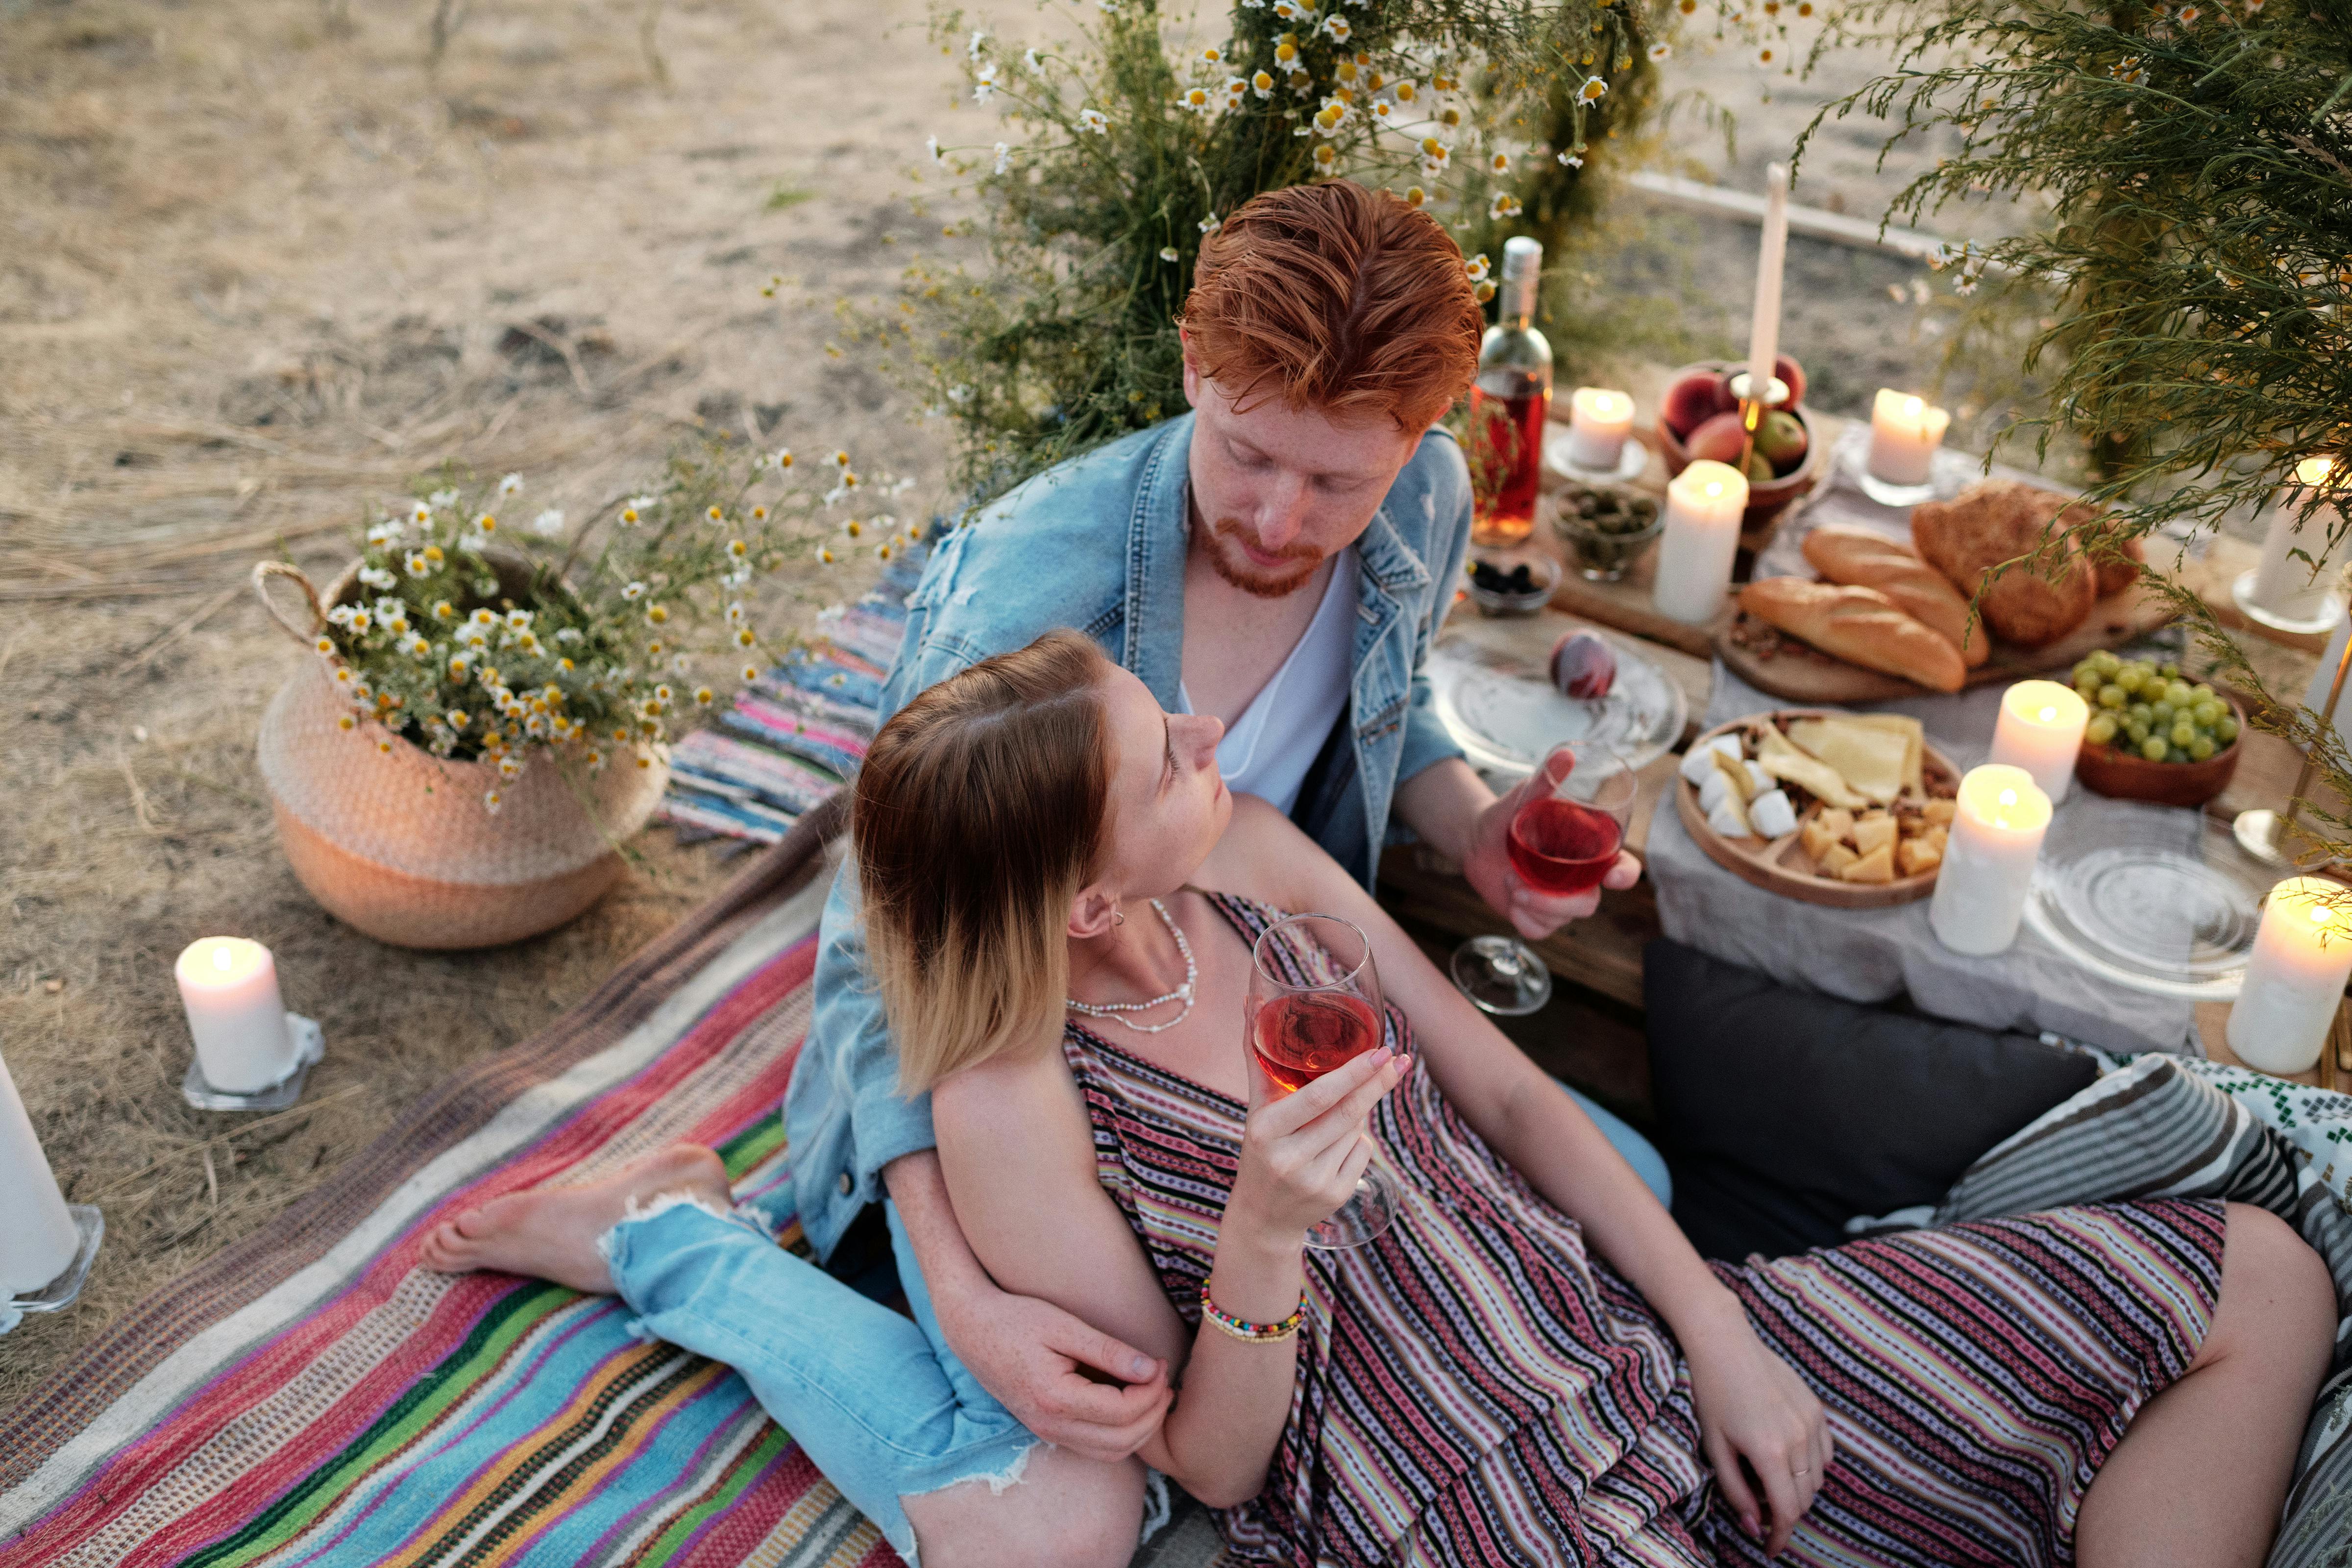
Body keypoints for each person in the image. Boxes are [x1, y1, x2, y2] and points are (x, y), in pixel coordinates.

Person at [426, 181, 1666, 1565]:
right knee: (1072, 1518)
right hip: (1013, 1090)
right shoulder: (1035, 582)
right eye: (1249, 453)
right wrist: (962, 1290)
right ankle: (666, 1233)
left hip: (1226, 1024)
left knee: (1628, 1194)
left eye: (1339, 483)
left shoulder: (1422, 498)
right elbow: (882, 935)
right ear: (1195, 367)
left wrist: (1472, 822)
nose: (1279, 516)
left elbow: (1385, 687)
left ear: (1423, 440)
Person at [894, 633, 2334, 1567]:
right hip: (1467, 1502)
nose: (1211, 733)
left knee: (2257, 1276)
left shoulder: (1251, 861)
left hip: (1626, 1347)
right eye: (1166, 758)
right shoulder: (1012, 1105)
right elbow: (1211, 1464)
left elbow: (1515, 1105)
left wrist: (1719, 1331)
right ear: (1084, 903)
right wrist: (1262, 1242)